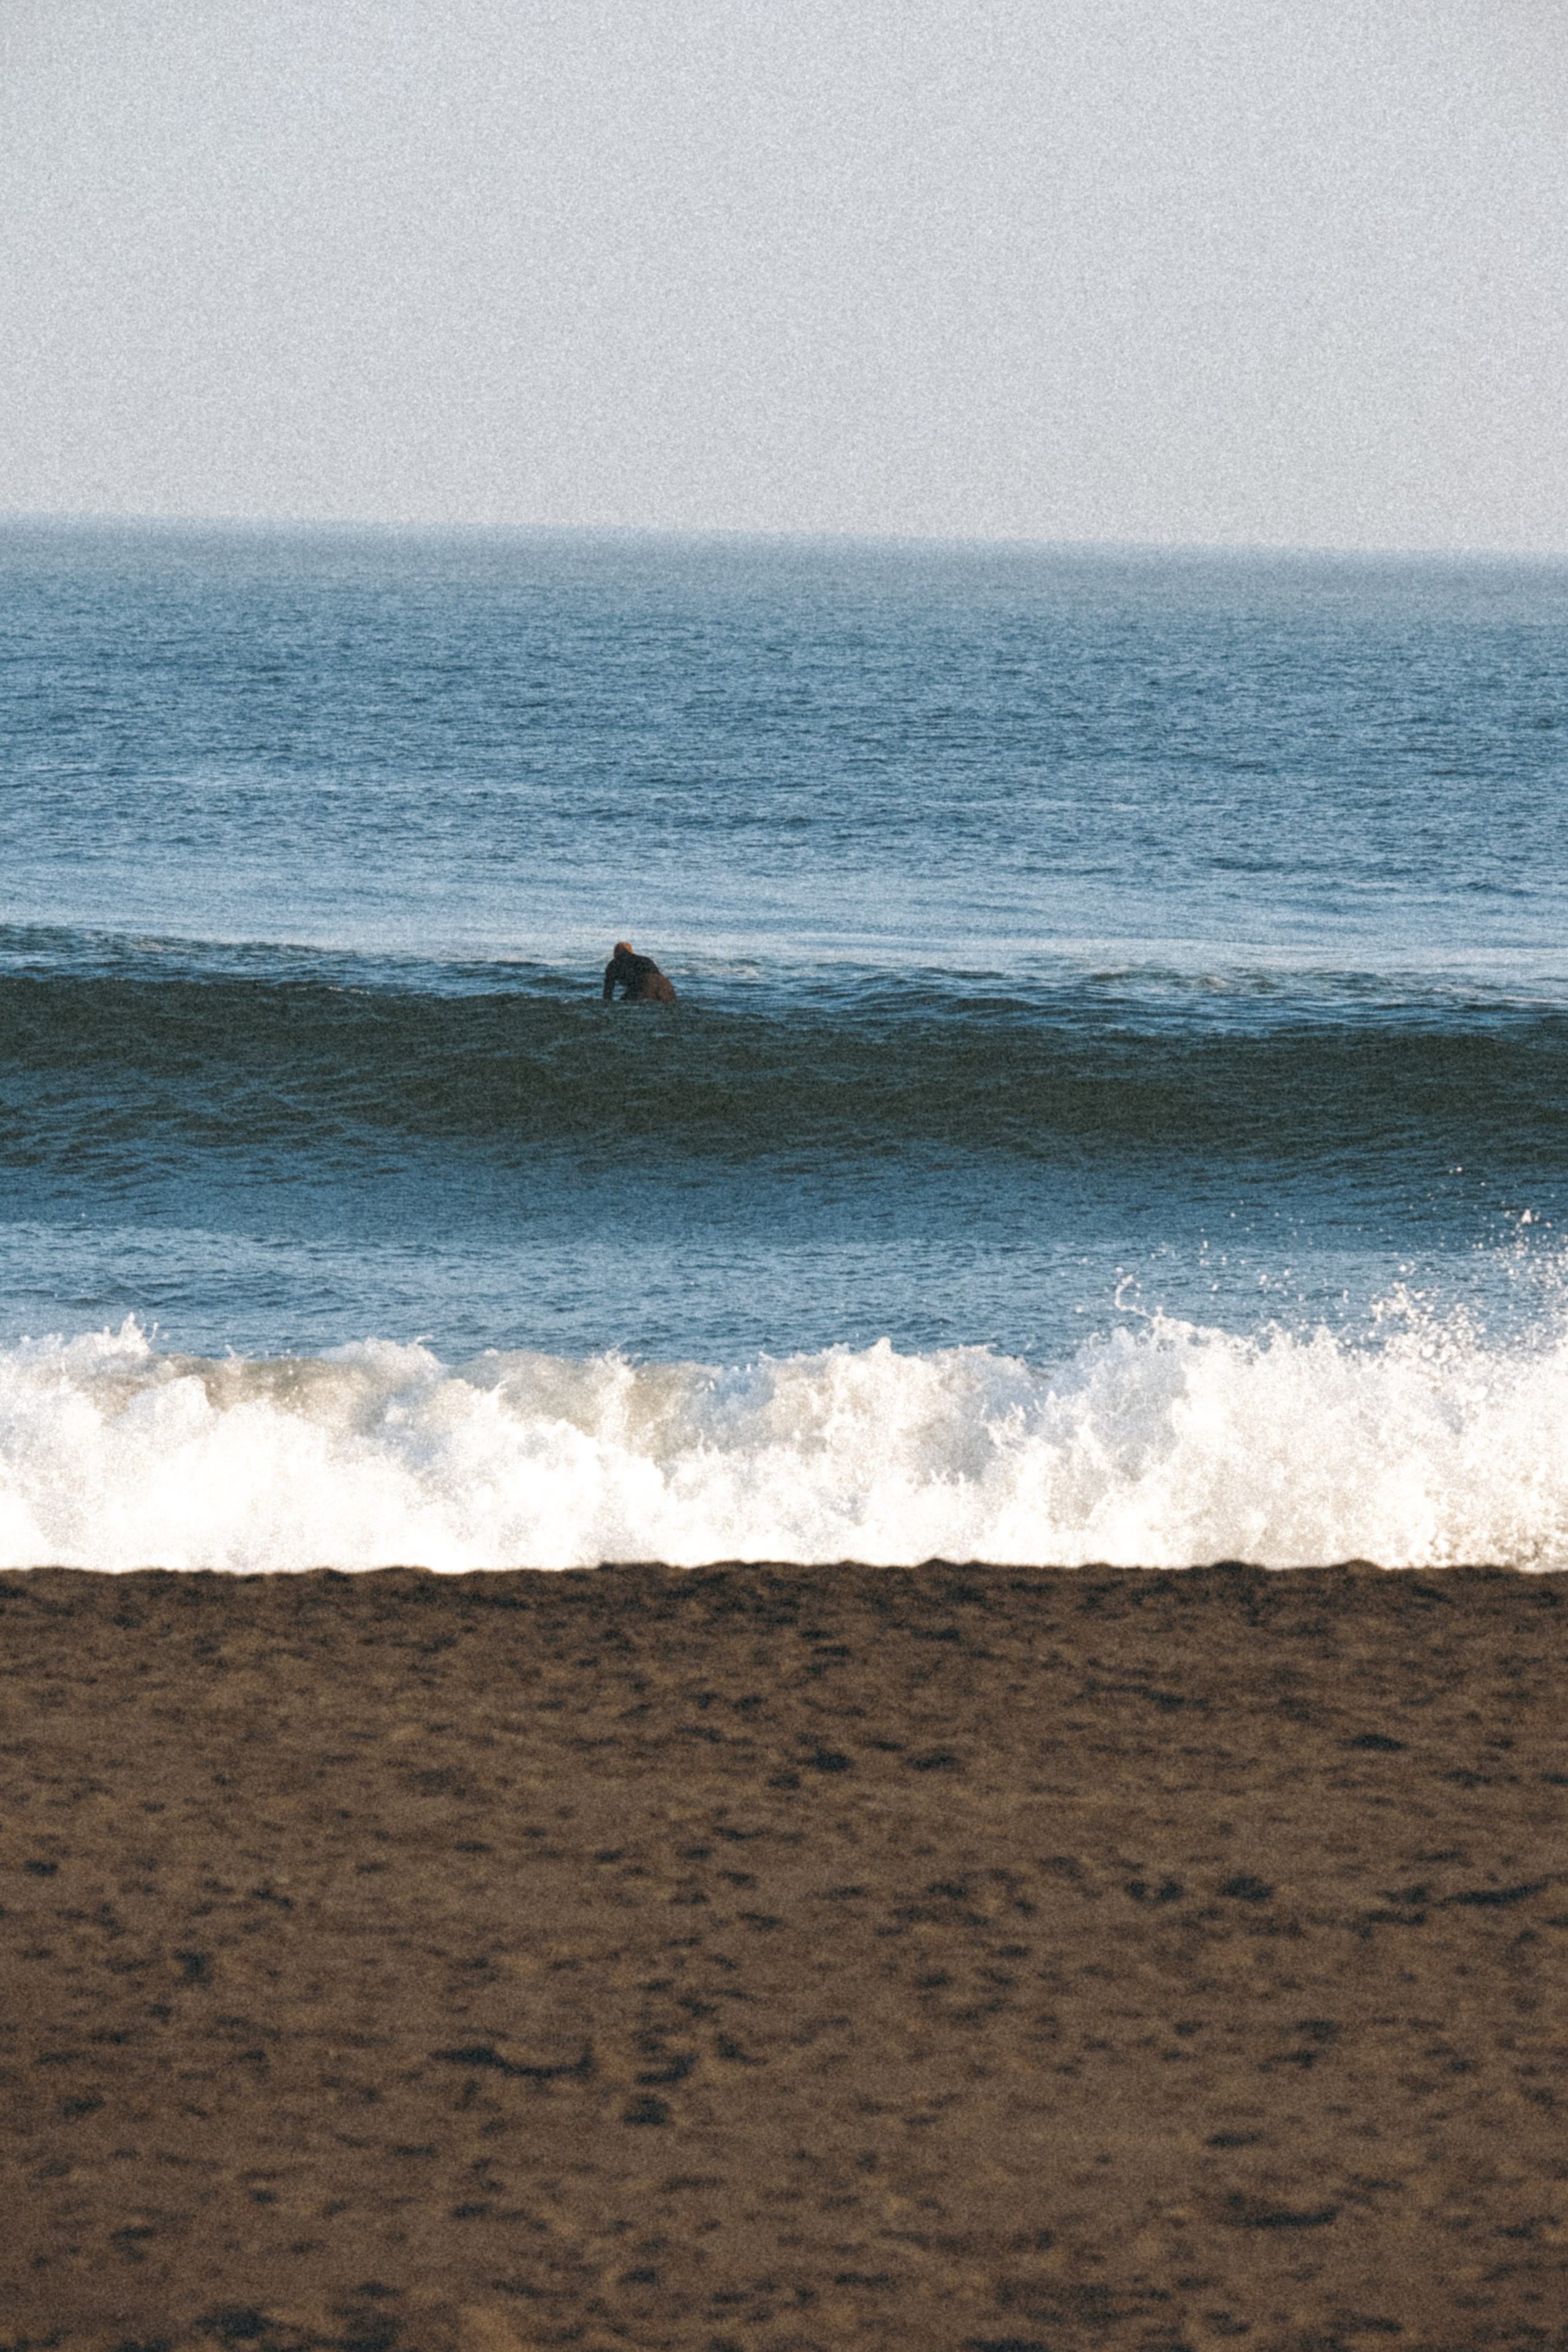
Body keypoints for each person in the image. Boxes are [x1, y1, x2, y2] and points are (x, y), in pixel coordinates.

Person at [602, 940, 677, 1003]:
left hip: (645, 983)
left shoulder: (614, 964)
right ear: (631, 951)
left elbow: (607, 992)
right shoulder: (646, 960)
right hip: (665, 984)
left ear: (615, 953)